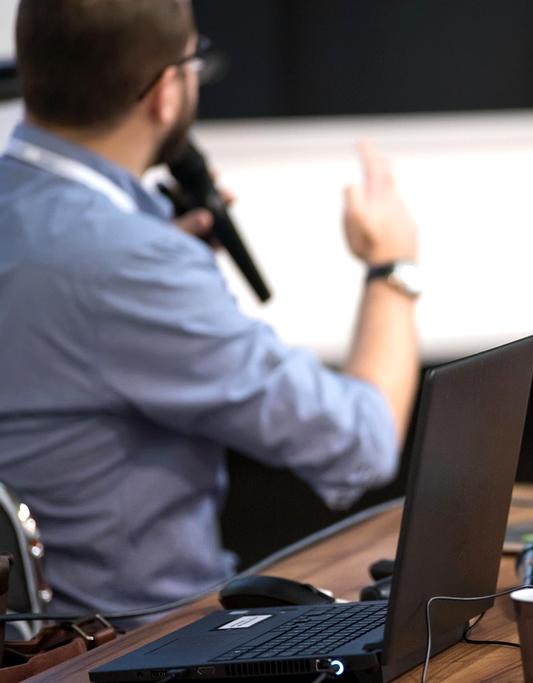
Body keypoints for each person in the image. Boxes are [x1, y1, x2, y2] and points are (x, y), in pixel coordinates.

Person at [0, 0, 420, 618]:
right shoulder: (134, 263)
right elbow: (360, 441)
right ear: (166, 92)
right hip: (136, 643)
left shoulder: (96, 238)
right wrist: (391, 268)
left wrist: (160, 251)